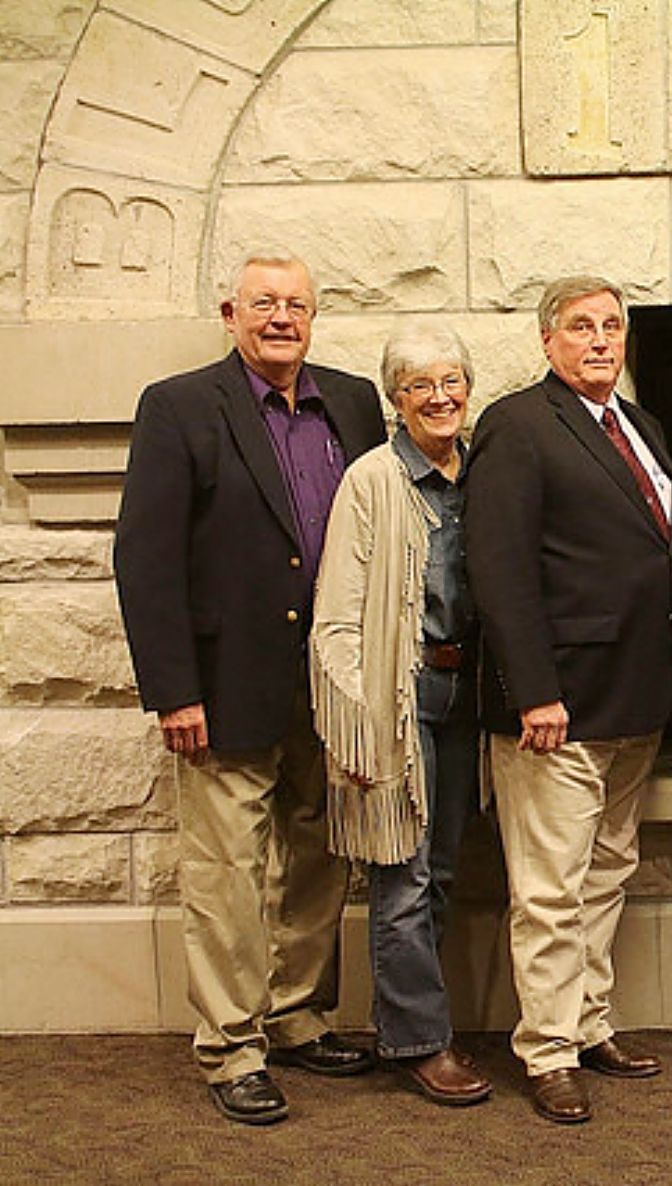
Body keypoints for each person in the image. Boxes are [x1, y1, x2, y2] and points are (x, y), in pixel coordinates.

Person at [113, 251, 385, 1124]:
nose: (280, 318)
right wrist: (173, 690)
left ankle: (297, 1016)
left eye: (296, 305)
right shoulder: (180, 406)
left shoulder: (353, 403)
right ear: (230, 314)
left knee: (320, 856)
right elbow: (146, 557)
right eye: (263, 303)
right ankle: (232, 1046)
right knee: (227, 870)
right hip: (225, 685)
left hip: (331, 685)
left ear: (314, 316)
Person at [464, 276, 672, 1124]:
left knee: (606, 874)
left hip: (635, 697)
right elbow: (500, 568)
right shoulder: (519, 425)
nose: (601, 341)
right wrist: (534, 692)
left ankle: (590, 1024)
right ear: (547, 340)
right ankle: (549, 1050)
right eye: (582, 327)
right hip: (557, 706)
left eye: (612, 326)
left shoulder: (641, 425)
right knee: (551, 891)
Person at [309, 322, 491, 1106]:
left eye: (451, 381)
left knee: (441, 869)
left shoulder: (483, 472)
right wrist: (355, 724)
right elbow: (337, 619)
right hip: (396, 697)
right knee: (403, 871)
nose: (439, 397)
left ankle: (406, 1025)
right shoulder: (372, 480)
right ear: (396, 398)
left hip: (464, 695)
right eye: (420, 385)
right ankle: (421, 1042)